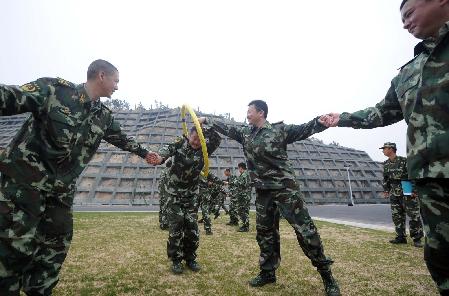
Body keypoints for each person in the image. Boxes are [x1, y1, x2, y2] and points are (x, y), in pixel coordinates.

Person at [321, 1, 449, 293]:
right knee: (440, 258)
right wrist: (342, 118)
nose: (405, 23)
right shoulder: (406, 73)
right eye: (401, 19)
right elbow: (381, 112)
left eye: (409, 14)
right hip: (432, 179)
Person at [0, 59, 153, 295]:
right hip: (23, 186)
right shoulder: (55, 91)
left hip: (60, 191)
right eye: (116, 81)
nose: (117, 87)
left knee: (55, 246)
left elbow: (122, 138)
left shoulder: (103, 116)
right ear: (101, 76)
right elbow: (11, 97)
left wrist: (145, 153)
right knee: (14, 247)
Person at [199, 100, 340, 296]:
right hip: (263, 191)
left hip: (285, 189)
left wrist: (320, 121)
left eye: (250, 111)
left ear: (261, 113)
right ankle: (268, 273)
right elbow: (228, 129)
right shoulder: (245, 133)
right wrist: (206, 120)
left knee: (305, 232)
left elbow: (304, 129)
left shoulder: (278, 130)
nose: (247, 115)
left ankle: (327, 277)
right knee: (265, 233)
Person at [147, 125, 221, 274]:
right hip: (173, 193)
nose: (196, 142)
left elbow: (217, 139)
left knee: (192, 227)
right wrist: (160, 158)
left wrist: (206, 122)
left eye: (199, 140)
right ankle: (176, 260)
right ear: (189, 135)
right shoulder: (180, 142)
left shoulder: (205, 150)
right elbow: (166, 150)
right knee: (176, 225)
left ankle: (190, 258)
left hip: (191, 194)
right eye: (194, 138)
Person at [380, 142, 424, 247]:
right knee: (397, 215)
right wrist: (386, 190)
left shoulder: (404, 161)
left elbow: (413, 175)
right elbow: (386, 178)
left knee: (413, 214)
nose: (383, 150)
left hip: (406, 187)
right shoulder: (386, 163)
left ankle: (417, 238)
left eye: (384, 148)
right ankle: (400, 237)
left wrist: (413, 190)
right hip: (394, 191)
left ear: (391, 149)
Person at [235, 162, 252, 232]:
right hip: (244, 195)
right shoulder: (246, 174)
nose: (238, 169)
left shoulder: (244, 175)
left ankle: (245, 227)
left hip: (244, 196)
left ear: (240, 168)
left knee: (243, 211)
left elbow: (242, 183)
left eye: (238, 168)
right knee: (243, 211)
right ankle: (244, 225)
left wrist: (235, 181)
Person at [158, 158, 172, 230]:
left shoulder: (163, 171)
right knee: (166, 207)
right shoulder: (169, 172)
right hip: (166, 192)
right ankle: (164, 224)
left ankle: (161, 221)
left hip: (161, 191)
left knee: (162, 206)